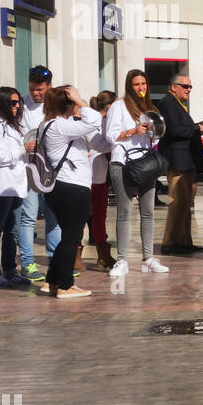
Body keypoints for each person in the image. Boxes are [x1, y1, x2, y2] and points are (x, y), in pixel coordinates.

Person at [37, 86, 102, 298]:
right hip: (72, 186)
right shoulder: (59, 125)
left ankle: (52, 281)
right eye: (74, 101)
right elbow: (94, 120)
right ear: (69, 104)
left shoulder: (48, 124)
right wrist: (81, 100)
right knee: (72, 237)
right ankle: (65, 285)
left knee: (68, 236)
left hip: (61, 187)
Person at [105, 70, 167, 277]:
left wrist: (153, 132)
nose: (141, 88)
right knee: (124, 212)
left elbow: (156, 139)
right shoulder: (118, 106)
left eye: (143, 84)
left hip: (145, 164)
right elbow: (110, 136)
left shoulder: (151, 108)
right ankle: (122, 259)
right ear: (129, 87)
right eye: (136, 85)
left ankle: (148, 258)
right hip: (123, 162)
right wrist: (132, 131)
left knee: (148, 212)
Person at [0, 87, 30, 288]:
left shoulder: (15, 127)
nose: (17, 106)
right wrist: (22, 149)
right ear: (2, 103)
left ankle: (10, 270)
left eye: (18, 102)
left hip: (17, 186)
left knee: (12, 232)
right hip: (2, 186)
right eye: (12, 102)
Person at [16, 65, 60, 283]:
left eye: (40, 89)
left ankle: (56, 261)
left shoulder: (57, 105)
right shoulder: (21, 104)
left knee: (54, 216)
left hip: (51, 169)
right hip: (29, 169)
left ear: (49, 86)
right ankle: (27, 263)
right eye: (33, 89)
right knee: (28, 216)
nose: (36, 93)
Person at [158, 74, 203, 254]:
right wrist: (196, 128)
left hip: (186, 161)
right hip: (178, 160)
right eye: (185, 86)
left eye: (190, 87)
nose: (188, 89)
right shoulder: (168, 103)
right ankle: (169, 242)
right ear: (173, 87)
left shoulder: (177, 103)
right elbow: (174, 130)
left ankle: (184, 241)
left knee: (185, 204)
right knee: (177, 202)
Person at [87, 91, 118, 271]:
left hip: (100, 176)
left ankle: (103, 254)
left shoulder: (107, 122)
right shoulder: (93, 123)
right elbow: (100, 144)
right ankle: (77, 253)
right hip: (86, 176)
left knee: (100, 215)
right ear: (109, 107)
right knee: (88, 215)